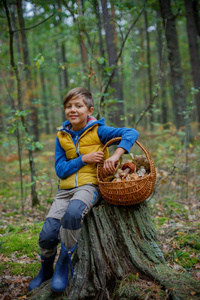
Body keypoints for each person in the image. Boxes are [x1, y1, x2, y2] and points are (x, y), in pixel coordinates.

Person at [28, 87, 139, 293]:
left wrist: (115, 156)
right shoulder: (62, 136)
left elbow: (131, 132)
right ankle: (45, 270)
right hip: (65, 189)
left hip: (90, 187)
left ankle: (63, 262)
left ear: (89, 110)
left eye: (78, 106)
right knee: (48, 233)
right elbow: (60, 170)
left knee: (73, 213)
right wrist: (83, 159)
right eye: (68, 106)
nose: (73, 110)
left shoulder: (99, 131)